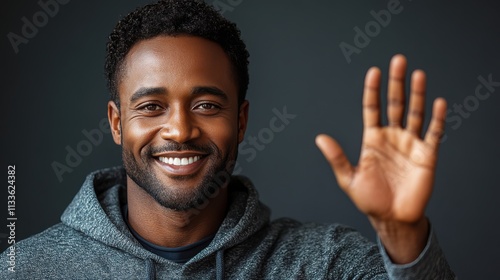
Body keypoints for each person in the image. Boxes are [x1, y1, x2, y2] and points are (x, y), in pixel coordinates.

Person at [1, 0, 456, 279]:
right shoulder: (28, 269)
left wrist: (401, 234)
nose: (180, 130)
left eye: (206, 106)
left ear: (240, 122)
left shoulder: (326, 263)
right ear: (117, 123)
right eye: (151, 106)